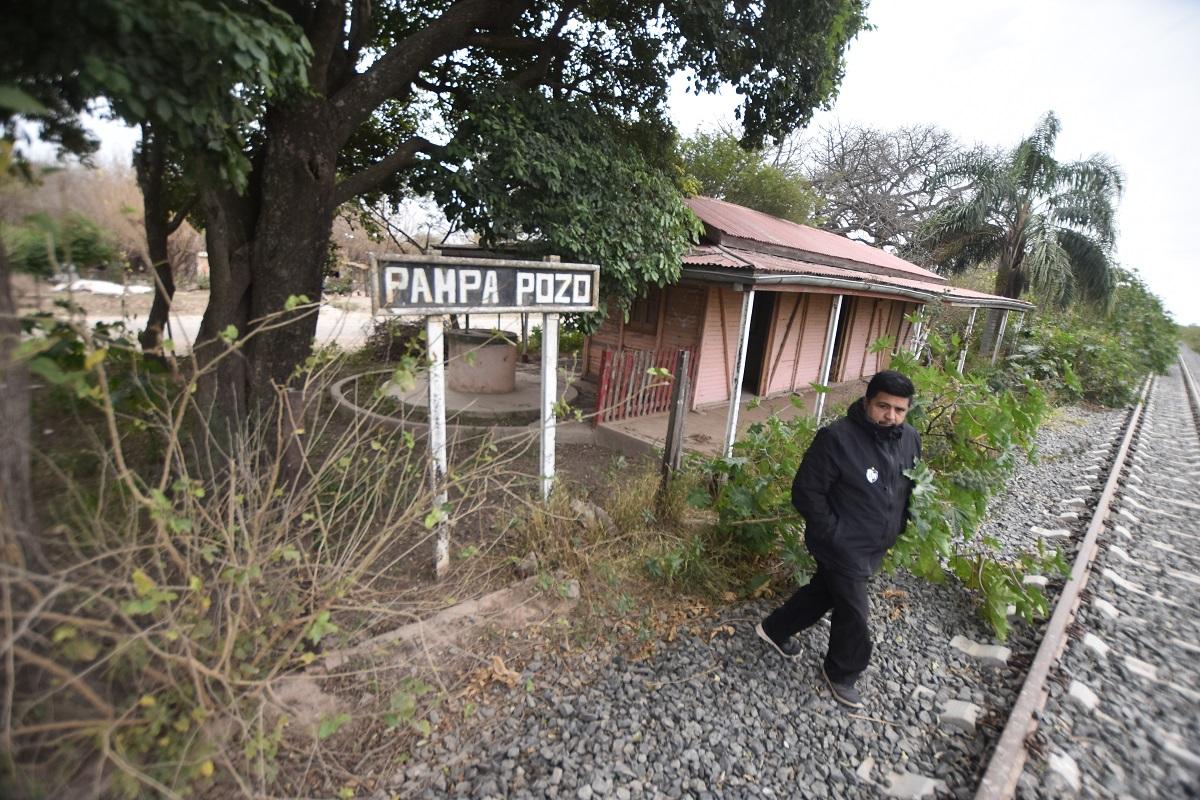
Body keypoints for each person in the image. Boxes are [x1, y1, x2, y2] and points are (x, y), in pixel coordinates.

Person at [755, 370, 921, 709]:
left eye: (899, 410)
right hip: (840, 546)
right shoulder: (837, 439)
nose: (890, 416)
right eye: (883, 406)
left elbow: (910, 483)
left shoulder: (910, 439)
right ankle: (842, 672)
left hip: (875, 543)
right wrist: (835, 534)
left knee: (824, 593)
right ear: (867, 402)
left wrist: (903, 521)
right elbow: (806, 492)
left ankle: (773, 629)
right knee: (854, 611)